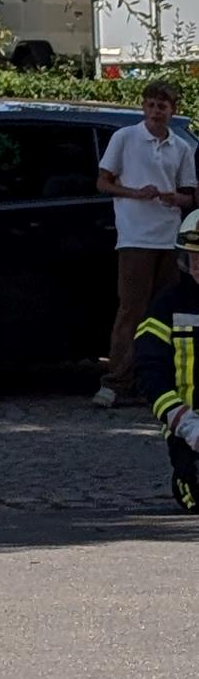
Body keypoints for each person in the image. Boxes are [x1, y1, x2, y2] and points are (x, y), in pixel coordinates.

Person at [94, 80, 196, 407]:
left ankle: (156, 380)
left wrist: (173, 198)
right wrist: (134, 193)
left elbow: (189, 196)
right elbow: (103, 182)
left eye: (161, 107)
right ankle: (115, 380)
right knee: (131, 309)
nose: (155, 112)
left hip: (169, 238)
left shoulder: (180, 147)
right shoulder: (125, 138)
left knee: (163, 310)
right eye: (151, 106)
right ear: (143, 107)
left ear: (172, 110)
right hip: (135, 236)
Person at [132, 208, 199, 514]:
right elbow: (150, 372)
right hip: (190, 428)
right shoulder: (167, 307)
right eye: (194, 257)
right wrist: (183, 421)